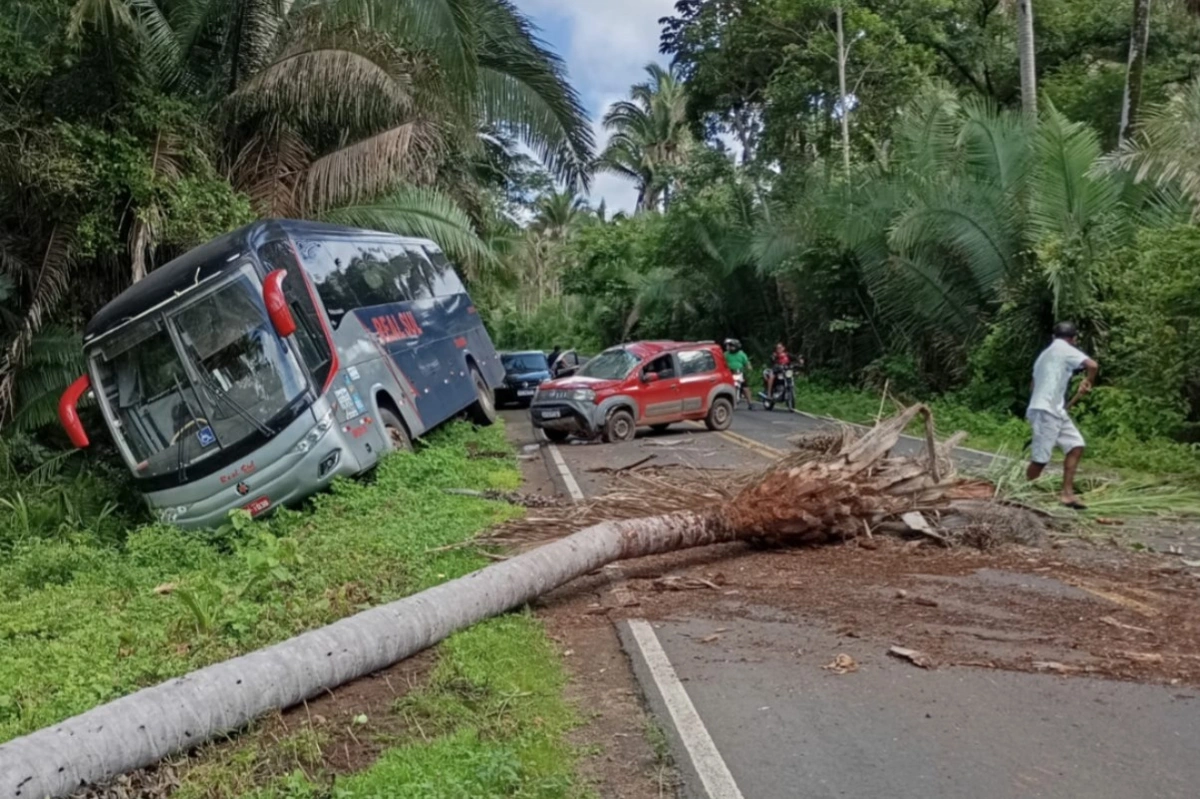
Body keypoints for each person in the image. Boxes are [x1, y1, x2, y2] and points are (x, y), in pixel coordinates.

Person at [1026, 322, 1099, 510]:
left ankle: (1067, 495)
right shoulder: (1064, 348)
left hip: (1054, 410)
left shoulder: (1044, 355)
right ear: (1073, 339)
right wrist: (1088, 381)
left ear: (1053, 336)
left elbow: (1033, 385)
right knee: (1041, 458)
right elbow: (1092, 365)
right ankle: (1023, 493)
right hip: (1046, 410)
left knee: (1076, 446)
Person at [723, 338, 754, 408]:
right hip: (729, 373)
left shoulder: (742, 354)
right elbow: (722, 363)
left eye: (732, 346)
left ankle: (750, 403)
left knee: (746, 387)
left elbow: (747, 362)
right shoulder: (726, 354)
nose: (731, 347)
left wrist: (749, 367)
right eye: (730, 346)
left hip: (740, 372)